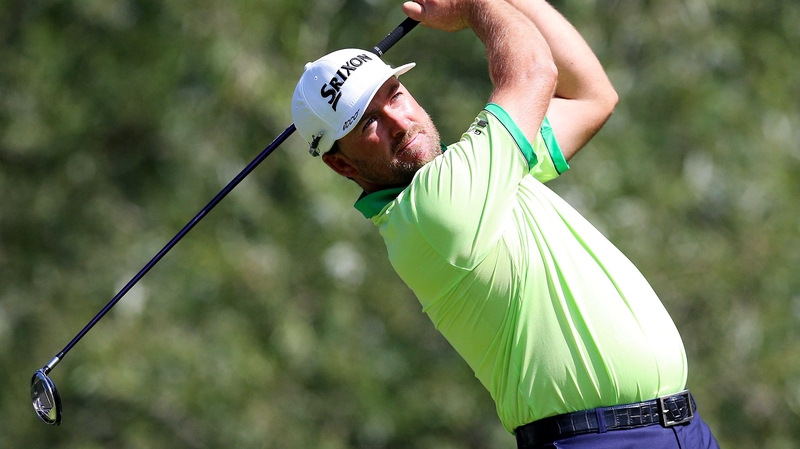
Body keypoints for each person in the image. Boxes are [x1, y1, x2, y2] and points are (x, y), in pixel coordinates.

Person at [291, 0, 720, 447]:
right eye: (368, 123)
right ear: (341, 165)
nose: (400, 122)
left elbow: (590, 96)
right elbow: (534, 74)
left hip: (683, 429)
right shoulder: (430, 209)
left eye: (395, 95)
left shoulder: (482, 175)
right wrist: (473, 6)